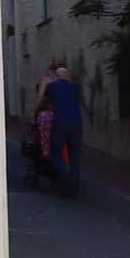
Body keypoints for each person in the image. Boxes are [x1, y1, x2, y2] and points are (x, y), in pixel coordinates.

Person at [44, 64, 84, 196]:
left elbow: (45, 99)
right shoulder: (74, 87)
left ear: (56, 76)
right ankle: (74, 187)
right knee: (75, 157)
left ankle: (64, 176)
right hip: (76, 123)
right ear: (68, 76)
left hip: (60, 123)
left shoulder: (52, 86)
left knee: (55, 153)